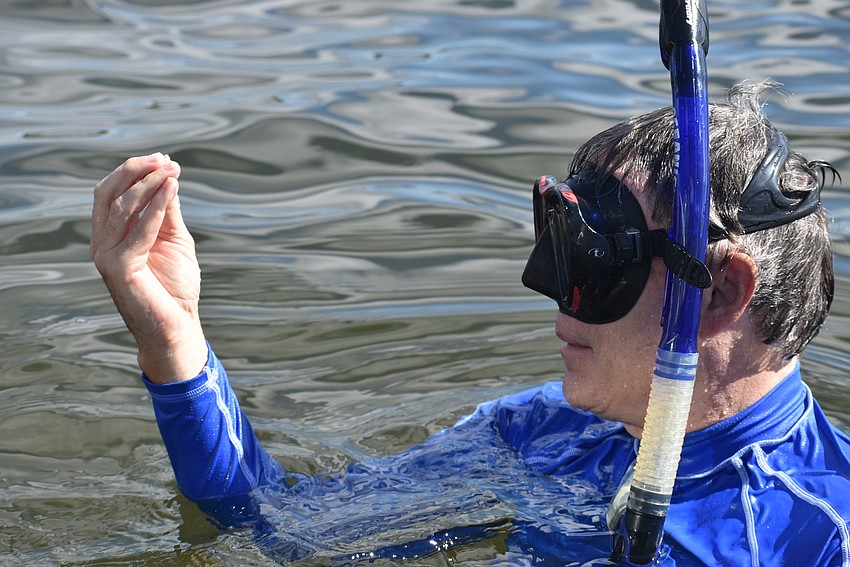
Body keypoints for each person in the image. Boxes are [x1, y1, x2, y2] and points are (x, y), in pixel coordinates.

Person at [91, 81, 850, 565]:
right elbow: (281, 531)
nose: (550, 288)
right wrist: (176, 341)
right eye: (556, 241)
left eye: (593, 256)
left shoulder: (823, 532)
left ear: (719, 291)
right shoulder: (542, 433)